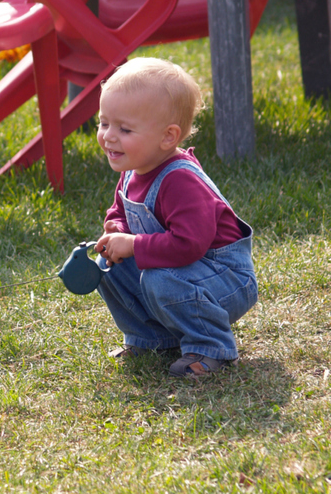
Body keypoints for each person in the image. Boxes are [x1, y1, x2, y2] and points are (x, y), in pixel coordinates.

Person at [94, 57, 258, 377]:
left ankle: (211, 347)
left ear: (168, 137)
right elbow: (121, 210)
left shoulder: (180, 181)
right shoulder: (133, 169)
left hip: (223, 279)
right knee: (106, 268)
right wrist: (116, 227)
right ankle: (152, 338)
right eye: (103, 123)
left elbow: (188, 246)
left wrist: (133, 243)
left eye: (125, 128)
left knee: (160, 277)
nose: (109, 136)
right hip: (185, 274)